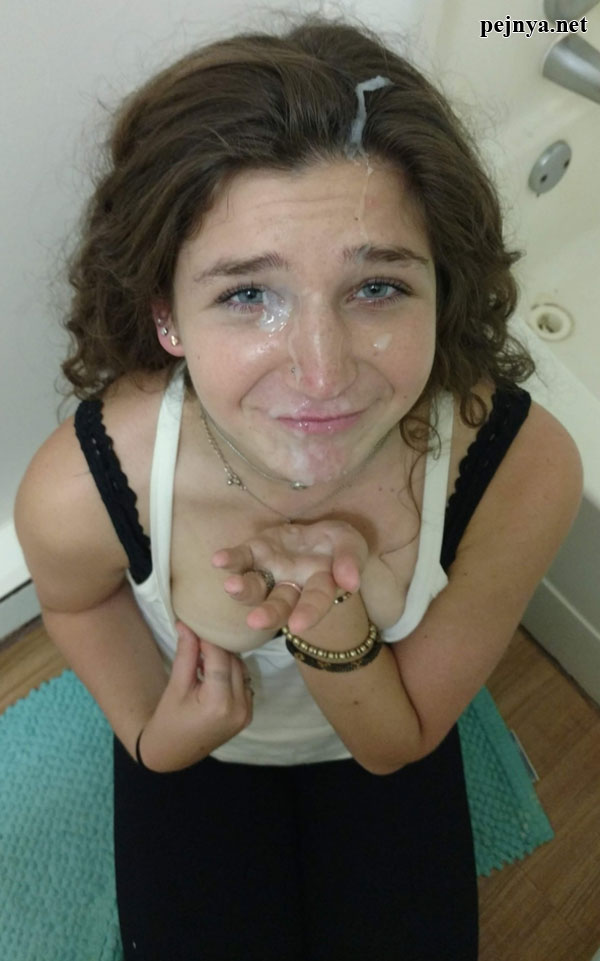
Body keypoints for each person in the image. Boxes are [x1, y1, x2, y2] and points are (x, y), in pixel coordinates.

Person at [15, 13, 582, 961]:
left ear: (442, 285)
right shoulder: (89, 482)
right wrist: (155, 734)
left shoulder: (518, 467)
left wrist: (332, 627)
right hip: (201, 749)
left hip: (388, 733)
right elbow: (76, 599)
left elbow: (394, 744)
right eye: (248, 294)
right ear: (167, 316)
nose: (322, 373)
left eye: (377, 287)